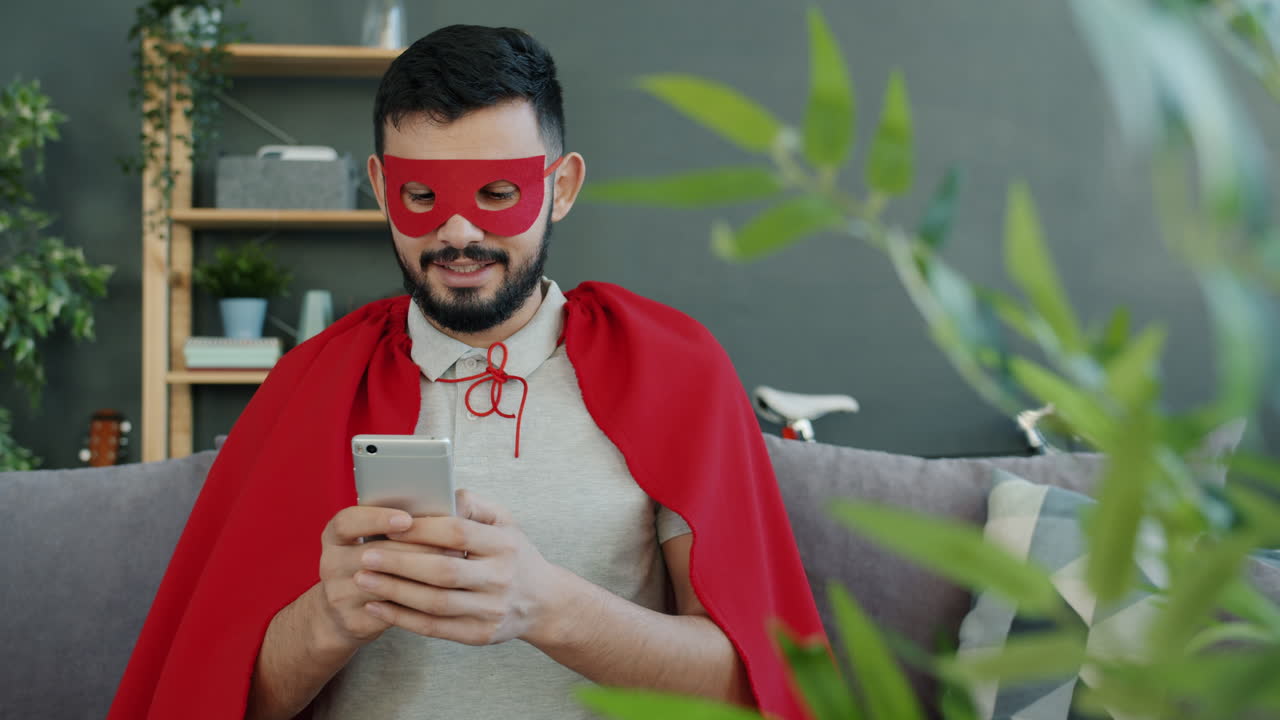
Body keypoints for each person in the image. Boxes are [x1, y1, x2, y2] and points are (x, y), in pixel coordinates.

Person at [109, 25, 824, 720]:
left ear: (562, 187)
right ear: (381, 187)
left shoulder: (673, 372)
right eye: (422, 197)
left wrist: (547, 606)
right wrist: (331, 617)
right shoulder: (309, 386)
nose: (457, 233)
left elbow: (750, 690)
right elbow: (206, 699)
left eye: (498, 193)